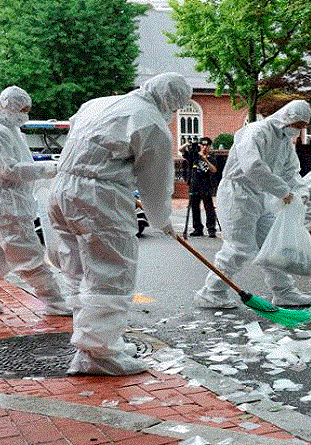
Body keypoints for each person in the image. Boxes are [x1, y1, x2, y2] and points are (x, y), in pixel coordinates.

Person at [48, 72, 192, 375]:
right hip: (98, 197)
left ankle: (95, 343)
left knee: (78, 271)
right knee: (110, 273)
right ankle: (100, 354)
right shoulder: (150, 122)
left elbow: (80, 132)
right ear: (172, 101)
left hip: (61, 189)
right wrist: (162, 219)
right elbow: (155, 182)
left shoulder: (100, 103)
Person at [194, 99, 311, 309]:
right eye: (297, 125)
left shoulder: (285, 143)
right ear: (287, 117)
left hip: (261, 195)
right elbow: (253, 166)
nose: (298, 130)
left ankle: (284, 292)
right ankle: (211, 292)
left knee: (272, 245)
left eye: (302, 127)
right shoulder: (256, 131)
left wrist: (301, 193)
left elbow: (291, 172)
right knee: (239, 247)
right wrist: (283, 190)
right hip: (238, 193)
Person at [0, 86, 71, 316]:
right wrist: (46, 169)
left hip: (14, 204)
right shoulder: (1, 132)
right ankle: (54, 302)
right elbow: (8, 169)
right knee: (29, 255)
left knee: (3, 258)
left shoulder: (14, 132)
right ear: (8, 106)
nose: (25, 114)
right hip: (9, 208)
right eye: (22, 108)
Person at [181, 136, 217, 237]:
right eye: (202, 145)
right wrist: (188, 144)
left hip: (206, 185)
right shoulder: (194, 156)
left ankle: (211, 229)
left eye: (206, 145)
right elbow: (181, 150)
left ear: (209, 146)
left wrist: (205, 160)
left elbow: (214, 169)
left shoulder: (211, 157)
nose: (204, 147)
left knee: (209, 207)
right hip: (194, 185)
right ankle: (197, 229)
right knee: (194, 207)